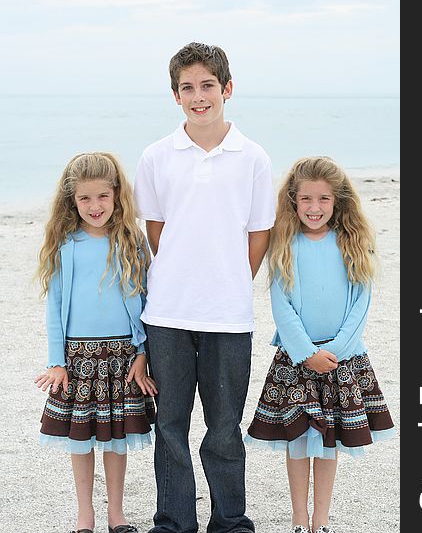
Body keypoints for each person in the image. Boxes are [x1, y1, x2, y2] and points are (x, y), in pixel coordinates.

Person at [134, 42, 276, 533]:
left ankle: (230, 521)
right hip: (168, 315)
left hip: (229, 317)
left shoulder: (253, 157)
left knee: (223, 429)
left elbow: (259, 234)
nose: (199, 96)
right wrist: (183, 273)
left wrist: (228, 280)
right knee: (169, 428)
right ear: (175, 96)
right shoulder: (156, 156)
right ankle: (173, 523)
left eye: (208, 85)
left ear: (227, 89)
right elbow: (157, 230)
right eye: (188, 88)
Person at [246, 156, 395, 533]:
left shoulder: (353, 242)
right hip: (296, 361)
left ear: (338, 201)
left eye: (323, 200)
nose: (314, 208)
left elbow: (362, 301)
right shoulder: (284, 244)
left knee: (329, 444)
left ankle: (321, 521)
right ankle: (299, 520)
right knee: (298, 441)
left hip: (342, 360)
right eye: (306, 199)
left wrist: (338, 349)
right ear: (293, 201)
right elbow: (281, 304)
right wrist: (306, 352)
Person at [34, 152, 158, 533]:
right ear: (72, 200)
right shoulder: (64, 244)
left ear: (116, 195)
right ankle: (84, 514)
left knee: (116, 436)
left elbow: (147, 300)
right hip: (78, 357)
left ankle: (115, 514)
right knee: (81, 437)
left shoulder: (132, 240)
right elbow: (55, 306)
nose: (94, 206)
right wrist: (58, 361)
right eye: (85, 199)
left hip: (123, 354)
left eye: (103, 197)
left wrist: (143, 352)